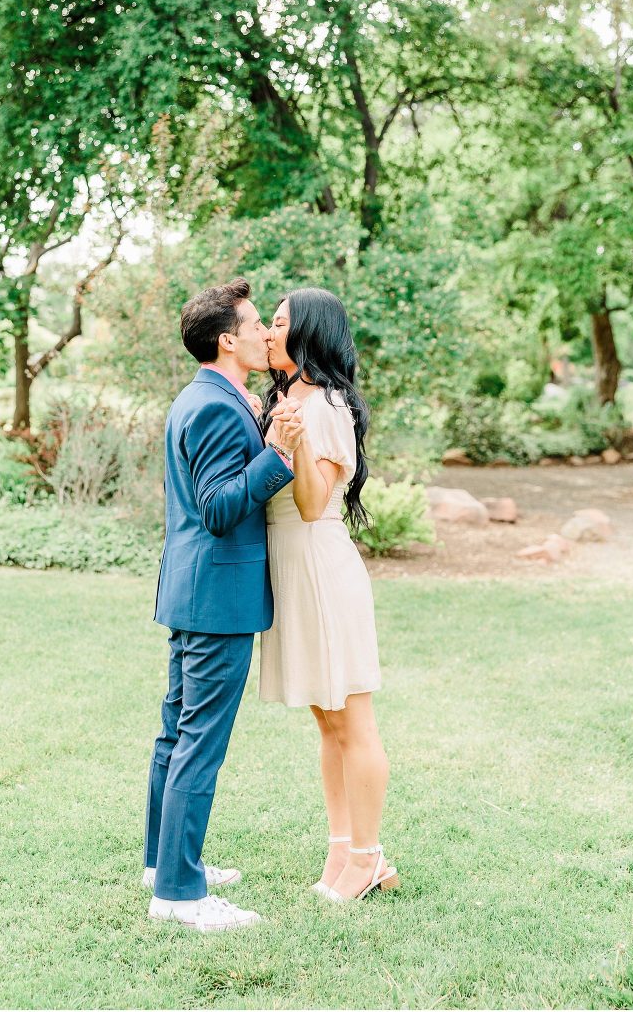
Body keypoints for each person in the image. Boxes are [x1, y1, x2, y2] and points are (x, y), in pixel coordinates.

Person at [144, 278, 297, 934]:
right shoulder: (212, 406)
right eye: (258, 323)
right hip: (216, 597)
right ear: (227, 339)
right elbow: (218, 508)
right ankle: (180, 892)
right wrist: (278, 454)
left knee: (176, 734)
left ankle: (163, 862)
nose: (267, 332)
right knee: (197, 742)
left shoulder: (215, 396)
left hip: (194, 590)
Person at [260, 288, 399, 902]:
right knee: (325, 719)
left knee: (353, 720)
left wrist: (290, 444)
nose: (267, 329)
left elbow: (315, 505)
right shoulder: (285, 400)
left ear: (308, 333)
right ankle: (344, 847)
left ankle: (368, 857)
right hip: (290, 569)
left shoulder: (327, 407)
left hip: (320, 566)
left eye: (280, 321)